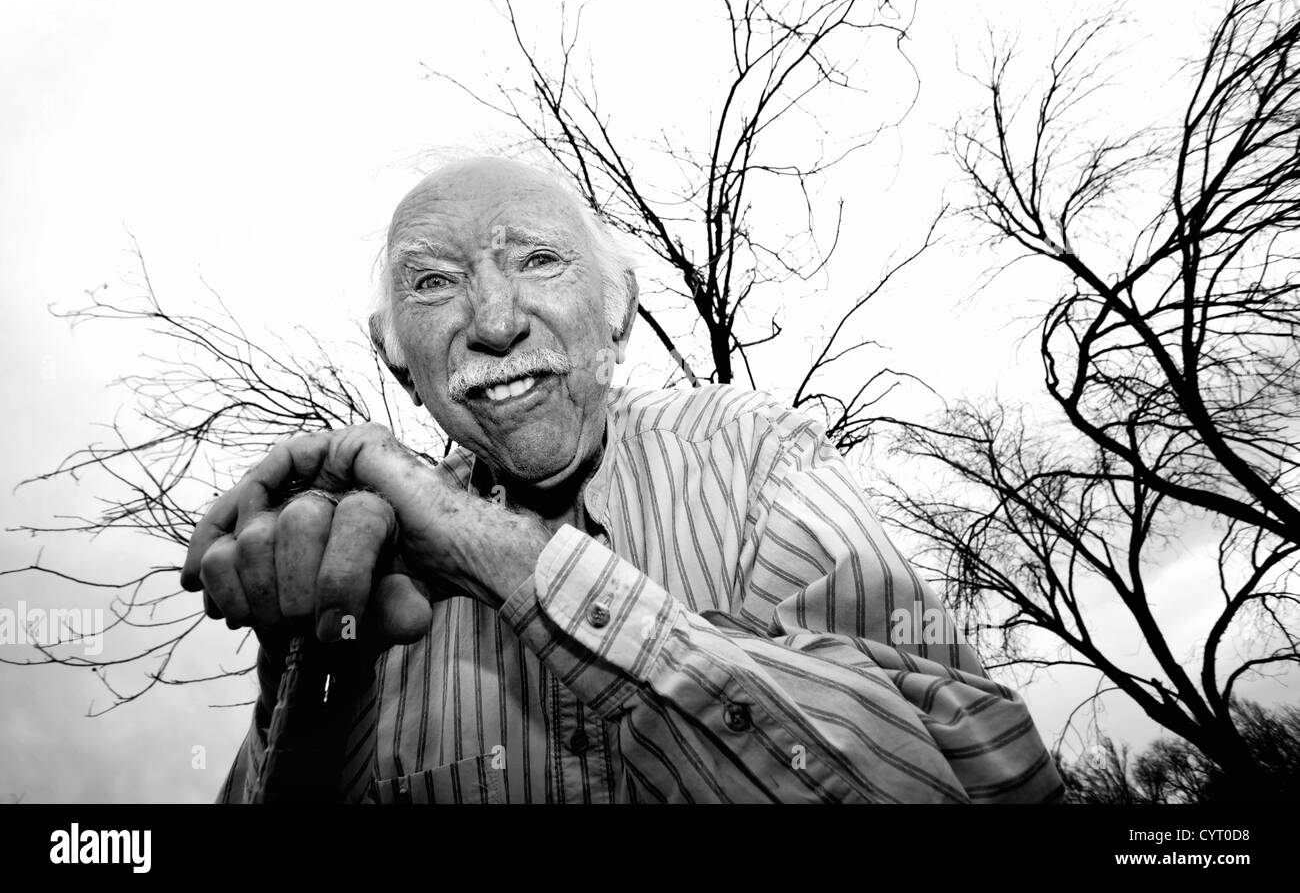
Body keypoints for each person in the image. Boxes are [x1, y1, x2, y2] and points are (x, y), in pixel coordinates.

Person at [182, 157, 1063, 803]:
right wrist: (311, 672)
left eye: (537, 260)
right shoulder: (369, 557)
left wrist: (499, 556)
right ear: (398, 358)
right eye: (434, 282)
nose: (493, 321)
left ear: (619, 313)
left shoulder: (751, 450)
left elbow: (985, 774)